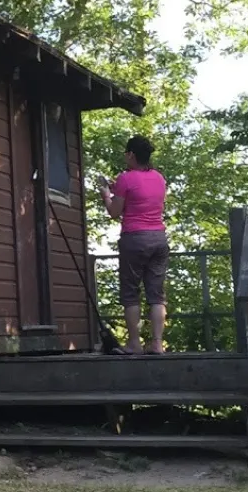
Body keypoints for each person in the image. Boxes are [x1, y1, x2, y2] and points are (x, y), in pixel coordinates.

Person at [99, 135, 169, 355]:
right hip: (159, 238)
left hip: (135, 239)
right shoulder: (159, 178)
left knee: (131, 292)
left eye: (126, 154)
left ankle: (134, 344)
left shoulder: (125, 179)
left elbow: (114, 212)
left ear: (131, 154)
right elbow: (144, 198)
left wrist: (106, 195)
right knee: (156, 295)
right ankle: (157, 344)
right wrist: (117, 188)